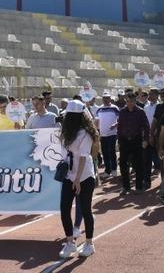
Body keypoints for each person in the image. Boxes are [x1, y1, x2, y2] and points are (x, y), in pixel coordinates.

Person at [57, 100, 98, 258]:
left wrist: (78, 179)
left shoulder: (85, 133)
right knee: (64, 208)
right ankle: (70, 243)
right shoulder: (66, 131)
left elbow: (82, 157)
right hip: (69, 174)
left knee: (86, 209)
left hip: (84, 176)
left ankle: (89, 243)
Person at [117, 92, 150, 193]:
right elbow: (119, 126)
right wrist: (119, 140)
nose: (129, 103)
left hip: (137, 140)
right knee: (123, 164)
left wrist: (145, 140)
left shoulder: (140, 112)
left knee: (138, 164)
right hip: (124, 141)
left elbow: (146, 127)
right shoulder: (122, 112)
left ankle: (139, 187)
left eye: (131, 101)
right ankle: (126, 187)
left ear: (135, 101)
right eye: (127, 101)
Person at [94, 91, 120, 177]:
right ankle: (107, 171)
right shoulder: (99, 109)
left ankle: (114, 169)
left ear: (110, 99)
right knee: (104, 153)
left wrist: (115, 125)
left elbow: (120, 120)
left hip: (112, 134)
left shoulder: (115, 108)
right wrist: (96, 131)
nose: (106, 99)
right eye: (104, 98)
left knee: (112, 151)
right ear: (102, 99)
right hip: (102, 134)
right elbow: (96, 121)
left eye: (107, 98)